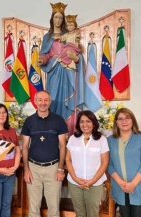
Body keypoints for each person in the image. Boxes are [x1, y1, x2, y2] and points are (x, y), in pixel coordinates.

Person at [21, 90, 68, 217]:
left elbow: (62, 145)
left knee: (53, 207)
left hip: (53, 168)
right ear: (35, 101)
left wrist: (60, 168)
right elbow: (24, 146)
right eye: (40, 100)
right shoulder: (29, 121)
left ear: (50, 102)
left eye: (46, 100)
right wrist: (26, 169)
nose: (43, 103)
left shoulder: (58, 120)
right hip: (33, 168)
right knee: (33, 207)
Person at [38, 2, 85, 135]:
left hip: (67, 71)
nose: (58, 20)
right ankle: (53, 130)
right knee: (52, 99)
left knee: (68, 98)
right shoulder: (48, 37)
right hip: (54, 71)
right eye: (56, 17)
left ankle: (69, 131)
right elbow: (45, 53)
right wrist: (42, 59)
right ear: (52, 18)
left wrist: (75, 58)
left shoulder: (69, 35)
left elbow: (78, 53)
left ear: (63, 19)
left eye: (60, 17)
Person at [107, 108, 141, 217]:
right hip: (120, 187)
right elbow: (109, 164)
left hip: (138, 187)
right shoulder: (110, 140)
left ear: (132, 120)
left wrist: (132, 184)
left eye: (127, 118)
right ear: (116, 122)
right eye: (120, 119)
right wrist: (121, 183)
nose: (124, 121)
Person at [65, 110, 109, 217]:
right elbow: (67, 159)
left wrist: (92, 181)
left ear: (94, 123)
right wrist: (74, 178)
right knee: (79, 214)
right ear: (78, 124)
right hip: (75, 183)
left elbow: (104, 162)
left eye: (88, 121)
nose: (85, 124)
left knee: (93, 216)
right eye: (82, 121)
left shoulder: (102, 140)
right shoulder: (73, 138)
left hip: (94, 184)